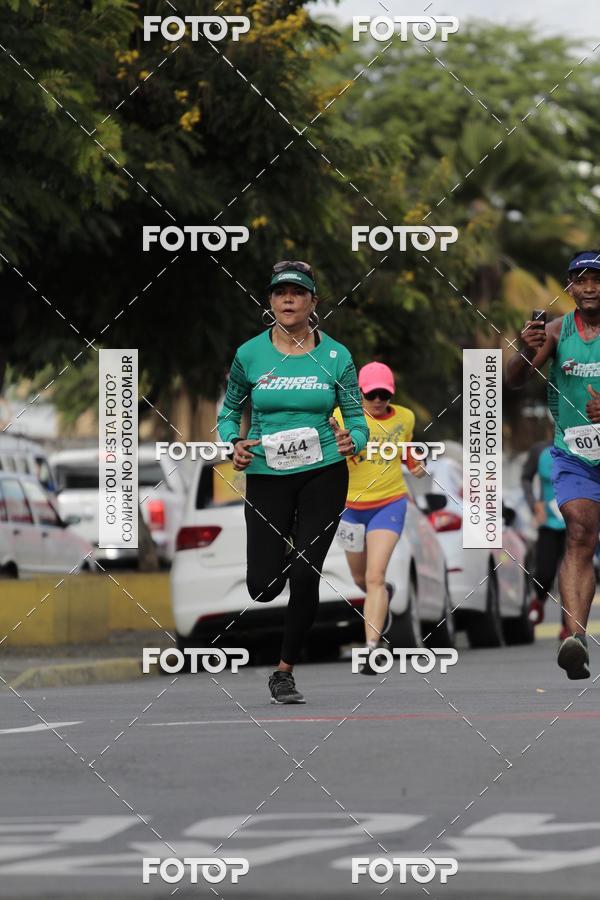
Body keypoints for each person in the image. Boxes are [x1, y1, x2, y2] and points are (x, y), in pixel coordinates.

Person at [217, 260, 369, 703]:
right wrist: (234, 442)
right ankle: (286, 550)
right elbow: (229, 413)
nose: (288, 300)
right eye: (280, 293)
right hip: (267, 472)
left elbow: (357, 418)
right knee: (263, 588)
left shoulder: (337, 356)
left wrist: (352, 438)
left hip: (323, 470)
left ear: (312, 303)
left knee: (306, 574)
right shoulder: (250, 354)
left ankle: (284, 672)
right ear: (270, 302)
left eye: (297, 293)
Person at [506, 250, 600, 679]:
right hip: (574, 453)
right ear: (570, 288)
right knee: (579, 531)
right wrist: (523, 352)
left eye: (596, 279)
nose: (590, 287)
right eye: (580, 280)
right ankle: (576, 639)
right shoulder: (558, 332)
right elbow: (514, 380)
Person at [333, 362, 426, 675]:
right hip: (350, 508)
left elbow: (408, 450)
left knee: (374, 575)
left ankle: (372, 648)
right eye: (371, 393)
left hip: (390, 503)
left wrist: (416, 464)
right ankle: (382, 594)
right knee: (361, 579)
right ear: (359, 391)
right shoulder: (341, 417)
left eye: (383, 394)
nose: (377, 400)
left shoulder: (404, 417)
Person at [522, 441, 568, 640]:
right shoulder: (539, 451)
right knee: (545, 573)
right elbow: (525, 478)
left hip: (575, 524)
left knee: (571, 575)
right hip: (548, 523)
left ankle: (569, 628)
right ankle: (539, 600)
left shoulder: (585, 446)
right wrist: (534, 504)